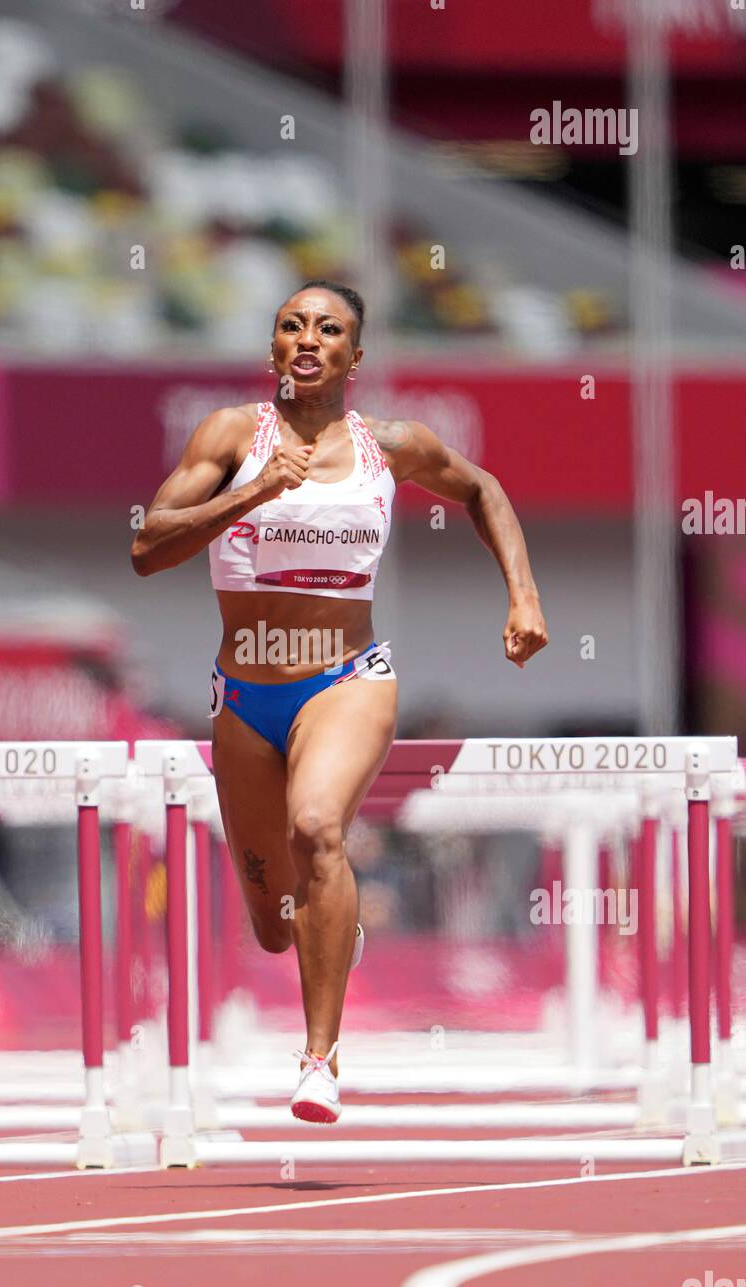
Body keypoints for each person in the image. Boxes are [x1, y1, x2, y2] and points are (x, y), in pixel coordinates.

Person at [131, 279, 548, 1121]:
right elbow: (145, 546)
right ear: (273, 350)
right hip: (244, 695)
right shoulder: (228, 435)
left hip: (346, 679)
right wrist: (249, 493)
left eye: (328, 328)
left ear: (355, 357)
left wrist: (524, 596)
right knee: (273, 925)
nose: (308, 338)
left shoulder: (390, 444)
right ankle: (328, 924)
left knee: (317, 828)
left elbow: (482, 490)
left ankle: (318, 1059)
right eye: (291, 325)